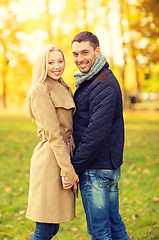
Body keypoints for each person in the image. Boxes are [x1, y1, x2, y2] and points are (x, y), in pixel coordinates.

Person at [71, 31, 130, 240]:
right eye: (75, 54)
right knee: (114, 226)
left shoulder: (101, 83)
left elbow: (96, 133)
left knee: (100, 232)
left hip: (96, 169)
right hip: (106, 166)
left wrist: (74, 167)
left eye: (85, 52)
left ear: (97, 51)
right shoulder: (93, 79)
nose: (80, 59)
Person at [26, 44, 79, 240]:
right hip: (51, 160)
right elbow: (55, 134)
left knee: (52, 228)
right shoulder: (40, 89)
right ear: (43, 64)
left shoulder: (63, 85)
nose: (57, 66)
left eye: (60, 61)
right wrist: (68, 170)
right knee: (45, 229)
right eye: (51, 62)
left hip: (63, 155)